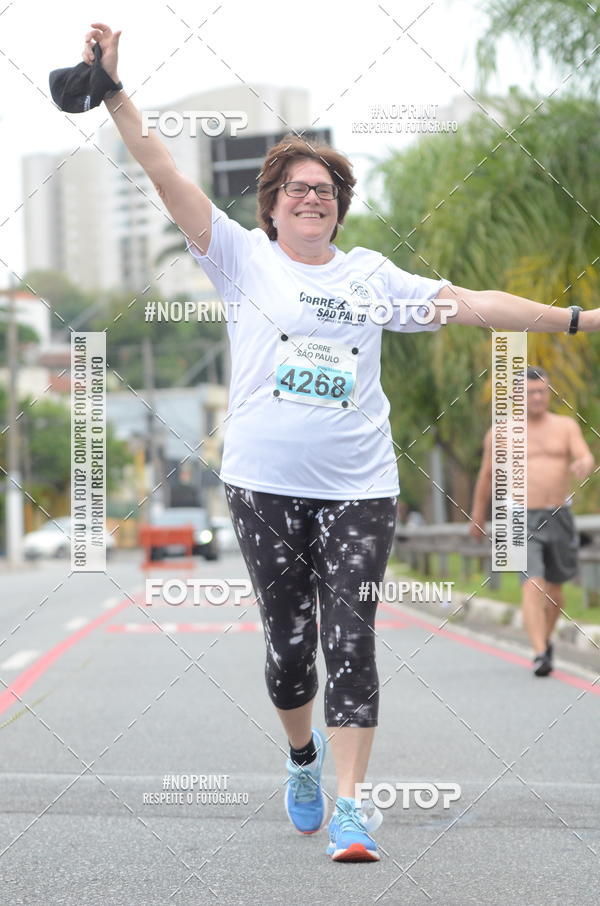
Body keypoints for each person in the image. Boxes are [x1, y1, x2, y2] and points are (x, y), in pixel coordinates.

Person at [81, 23, 600, 861]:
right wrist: (112, 90)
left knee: (350, 638)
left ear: (338, 204)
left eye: (324, 189)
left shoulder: (371, 277)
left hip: (360, 485)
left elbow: (477, 305)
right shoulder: (239, 259)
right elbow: (162, 168)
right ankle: (302, 757)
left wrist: (580, 318)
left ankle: (351, 806)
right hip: (262, 484)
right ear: (271, 204)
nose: (311, 198)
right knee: (289, 652)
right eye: (296, 188)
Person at [469, 367, 595, 676]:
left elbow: (585, 455)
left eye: (541, 391)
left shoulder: (565, 427)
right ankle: (539, 653)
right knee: (533, 584)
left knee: (556, 595)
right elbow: (486, 476)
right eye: (529, 392)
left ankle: (545, 640)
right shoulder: (500, 433)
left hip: (559, 515)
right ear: (516, 396)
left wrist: (585, 462)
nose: (537, 397)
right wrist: (477, 515)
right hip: (520, 517)